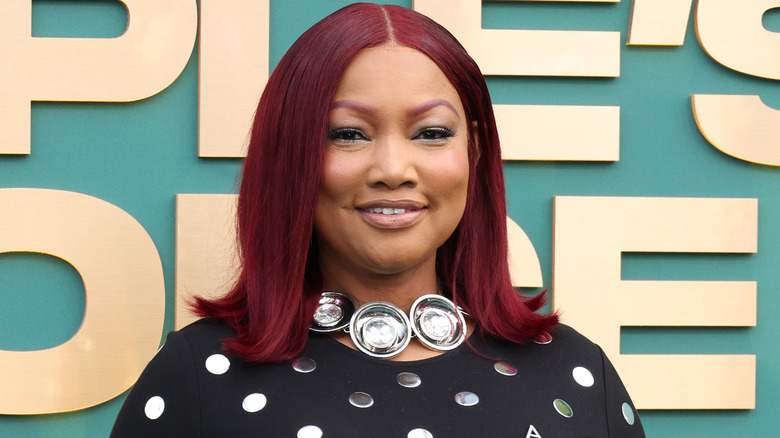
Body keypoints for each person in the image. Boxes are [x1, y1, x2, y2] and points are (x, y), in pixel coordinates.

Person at [111, 3, 645, 437]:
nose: (393, 169)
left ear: (475, 152)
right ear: (289, 156)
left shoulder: (577, 378)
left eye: (432, 133)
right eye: (349, 133)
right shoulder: (198, 377)